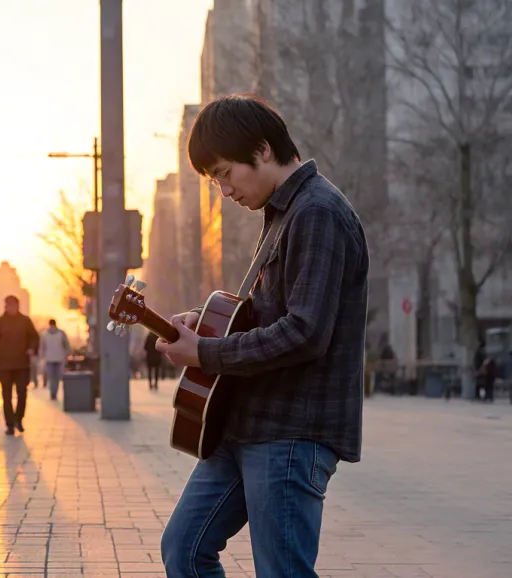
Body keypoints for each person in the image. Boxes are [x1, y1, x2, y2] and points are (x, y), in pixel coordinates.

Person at [154, 94, 369, 577]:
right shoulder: (282, 212)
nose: (223, 191)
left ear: (264, 149)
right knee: (184, 549)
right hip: (247, 423)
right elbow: (265, 313)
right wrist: (199, 320)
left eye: (225, 173)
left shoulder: (317, 213)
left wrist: (205, 352)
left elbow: (304, 332)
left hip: (293, 432)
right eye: (214, 181)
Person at [0, 295, 40, 435]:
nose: (10, 308)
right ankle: (9, 424)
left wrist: (32, 349)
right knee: (6, 396)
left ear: (17, 306)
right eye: (8, 305)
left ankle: (19, 419)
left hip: (22, 364)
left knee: (22, 393)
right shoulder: (0, 322)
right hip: (5, 365)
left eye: (13, 305)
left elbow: (34, 337)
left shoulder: (25, 321)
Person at [38, 319, 71, 400]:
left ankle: (53, 393)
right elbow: (66, 345)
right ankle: (53, 393)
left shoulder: (44, 334)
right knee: (56, 377)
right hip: (59, 358)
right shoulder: (61, 333)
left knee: (52, 377)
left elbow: (42, 347)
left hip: (50, 359)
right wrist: (66, 355)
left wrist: (41, 357)